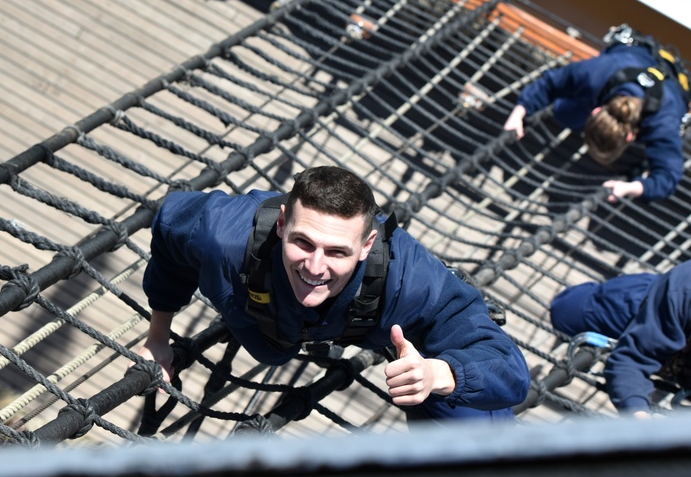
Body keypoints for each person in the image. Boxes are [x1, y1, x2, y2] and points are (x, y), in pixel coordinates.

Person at [137, 165, 530, 422]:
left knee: (477, 443)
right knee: (273, 347)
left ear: (366, 245)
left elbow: (509, 369)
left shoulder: (410, 280)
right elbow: (170, 224)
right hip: (270, 318)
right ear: (281, 224)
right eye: (303, 242)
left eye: (338, 251)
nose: (315, 266)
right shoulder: (223, 235)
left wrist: (438, 373)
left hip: (388, 329)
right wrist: (158, 337)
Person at [503, 28, 689, 202]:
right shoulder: (598, 73)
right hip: (632, 58)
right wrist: (519, 113)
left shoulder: (663, 121)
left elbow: (668, 177)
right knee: (563, 113)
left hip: (669, 83)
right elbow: (551, 83)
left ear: (595, 110)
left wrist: (632, 187)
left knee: (566, 114)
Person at [549, 262, 691, 419]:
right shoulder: (680, 293)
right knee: (565, 310)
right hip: (636, 308)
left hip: (675, 343)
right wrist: (640, 416)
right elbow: (630, 361)